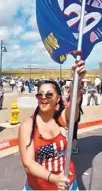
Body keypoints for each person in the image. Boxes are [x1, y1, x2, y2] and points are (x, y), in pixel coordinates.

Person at [19, 59, 86, 190]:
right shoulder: (28, 126)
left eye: (49, 95)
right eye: (40, 95)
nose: (43, 97)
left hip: (69, 185)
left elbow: (74, 107)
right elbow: (28, 164)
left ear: (58, 99)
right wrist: (54, 179)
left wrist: (76, 80)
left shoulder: (61, 119)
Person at [64, 81, 84, 154]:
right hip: (71, 115)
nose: (68, 88)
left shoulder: (78, 94)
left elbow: (75, 103)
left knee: (73, 131)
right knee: (71, 131)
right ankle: (70, 147)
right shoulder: (72, 94)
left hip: (74, 115)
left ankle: (73, 148)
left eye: (69, 86)